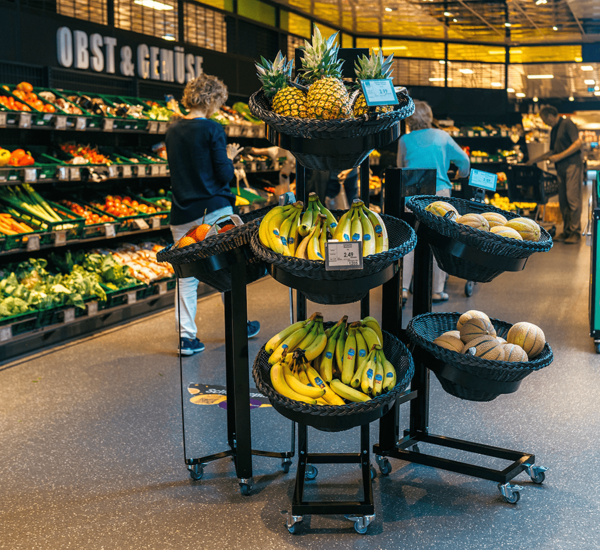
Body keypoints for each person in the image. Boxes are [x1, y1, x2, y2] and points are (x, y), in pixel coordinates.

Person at [166, 74, 260, 356]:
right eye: (219, 101)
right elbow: (223, 173)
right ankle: (239, 325)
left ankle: (186, 338)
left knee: (186, 276)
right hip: (215, 210)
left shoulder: (172, 130)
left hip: (182, 213)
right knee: (228, 267)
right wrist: (230, 156)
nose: (220, 106)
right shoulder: (213, 129)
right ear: (211, 99)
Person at [398, 100, 470, 303]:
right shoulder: (443, 136)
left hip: (412, 193)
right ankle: (437, 290)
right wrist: (460, 175)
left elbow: (401, 166)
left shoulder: (404, 140)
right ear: (429, 117)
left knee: (410, 240)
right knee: (439, 240)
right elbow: (464, 160)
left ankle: (403, 288)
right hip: (439, 193)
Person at [527, 106, 583, 244]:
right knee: (563, 201)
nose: (545, 123)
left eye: (545, 119)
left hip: (572, 165)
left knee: (572, 199)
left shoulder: (567, 123)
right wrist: (533, 160)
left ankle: (575, 232)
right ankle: (567, 231)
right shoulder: (554, 130)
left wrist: (559, 157)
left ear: (551, 116)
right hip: (561, 168)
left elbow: (578, 143)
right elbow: (552, 151)